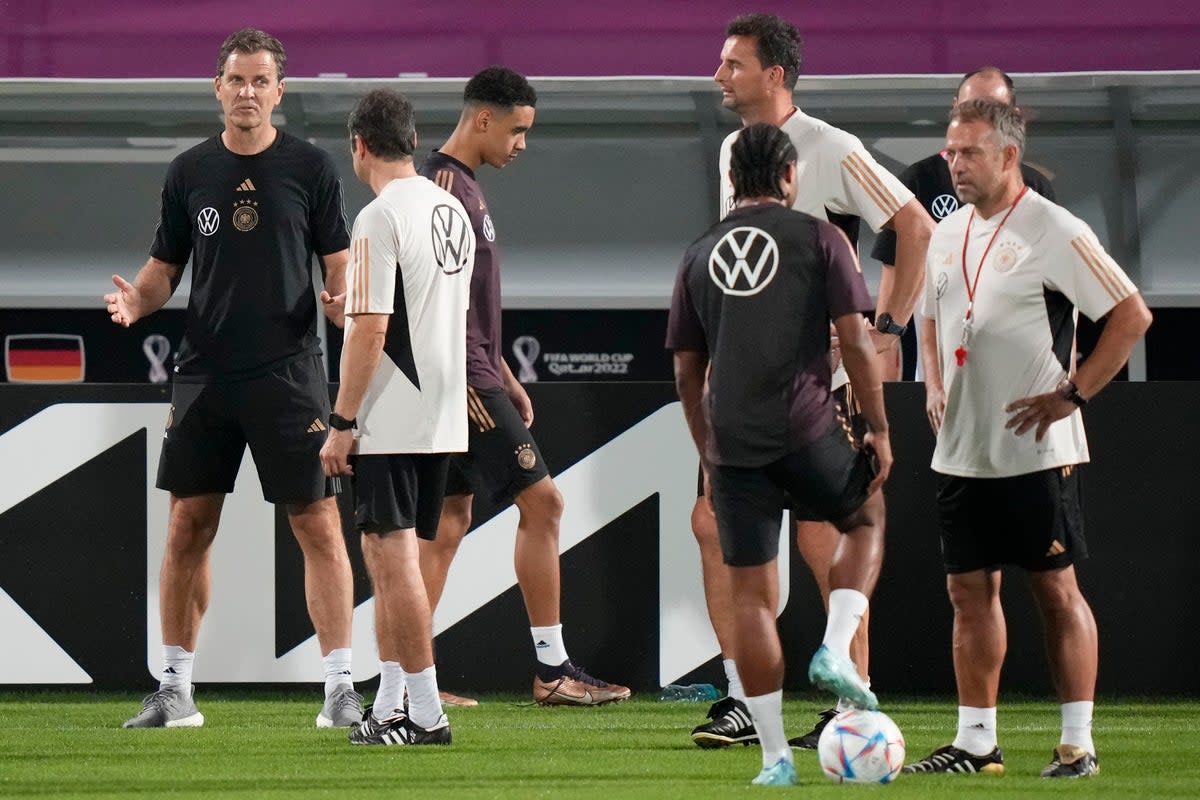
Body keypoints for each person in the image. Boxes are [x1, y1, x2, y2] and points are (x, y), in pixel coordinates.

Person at [689, 12, 933, 751]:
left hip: (819, 383)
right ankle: (742, 696)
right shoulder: (737, 149)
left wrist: (885, 327)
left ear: (776, 74)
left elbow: (914, 226)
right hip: (746, 381)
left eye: (733, 64)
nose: (718, 75)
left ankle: (851, 701)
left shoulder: (834, 148)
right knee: (711, 526)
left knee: (826, 537)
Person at [107, 28, 360, 729]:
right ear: (217, 88)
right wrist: (137, 300)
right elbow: (163, 272)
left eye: (260, 81)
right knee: (188, 526)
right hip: (204, 374)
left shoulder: (311, 168)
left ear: (279, 92)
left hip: (289, 372)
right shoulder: (189, 171)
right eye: (236, 80)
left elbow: (337, 262)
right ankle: (174, 691)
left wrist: (341, 298)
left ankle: (340, 689)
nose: (247, 92)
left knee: (317, 523)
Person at [903, 98, 1151, 778]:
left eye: (969, 152)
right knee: (968, 594)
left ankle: (1078, 745)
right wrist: (930, 382)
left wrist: (1073, 394)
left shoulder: (1054, 228)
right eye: (951, 151)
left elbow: (1131, 315)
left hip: (1037, 451)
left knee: (1055, 591)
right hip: (961, 448)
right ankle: (977, 743)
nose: (954, 164)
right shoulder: (947, 233)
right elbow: (930, 315)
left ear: (1008, 156)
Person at [668, 122, 893, 786]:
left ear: (734, 180)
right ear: (791, 177)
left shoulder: (699, 252)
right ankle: (834, 647)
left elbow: (686, 372)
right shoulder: (820, 238)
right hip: (807, 428)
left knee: (751, 600)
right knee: (866, 517)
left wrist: (708, 451)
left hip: (733, 445)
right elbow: (855, 341)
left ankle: (774, 760)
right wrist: (877, 427)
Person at [414, 66, 630, 706]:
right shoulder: (445, 188)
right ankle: (553, 670)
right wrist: (486, 379)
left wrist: (505, 373)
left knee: (451, 520)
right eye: (517, 130)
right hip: (460, 377)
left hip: (477, 373)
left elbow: (467, 300)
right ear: (484, 119)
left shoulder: (464, 186)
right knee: (545, 505)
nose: (522, 144)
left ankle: (408, 681)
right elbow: (432, 301)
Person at [319, 88, 473, 746]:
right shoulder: (451, 210)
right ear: (411, 140)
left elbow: (375, 330)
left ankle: (425, 714)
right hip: (441, 411)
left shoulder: (377, 218)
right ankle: (390, 703)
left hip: (391, 413)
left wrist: (343, 419)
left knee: (392, 559)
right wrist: (352, 319)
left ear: (359, 145)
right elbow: (424, 314)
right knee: (396, 560)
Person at [871, 66, 1057, 381]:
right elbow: (889, 293)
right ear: (955, 108)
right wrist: (883, 400)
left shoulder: (1035, 189)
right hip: (936, 384)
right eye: (970, 108)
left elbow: (1058, 299)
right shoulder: (918, 181)